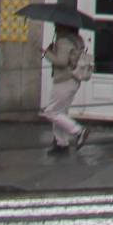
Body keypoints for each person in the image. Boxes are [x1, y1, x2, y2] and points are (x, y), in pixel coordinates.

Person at [42, 22, 89, 152]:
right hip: (74, 79)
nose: (55, 27)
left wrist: (46, 53)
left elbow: (61, 62)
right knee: (61, 112)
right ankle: (61, 142)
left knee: (51, 112)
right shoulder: (77, 40)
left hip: (64, 79)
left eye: (57, 25)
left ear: (64, 26)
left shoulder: (63, 41)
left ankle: (79, 131)